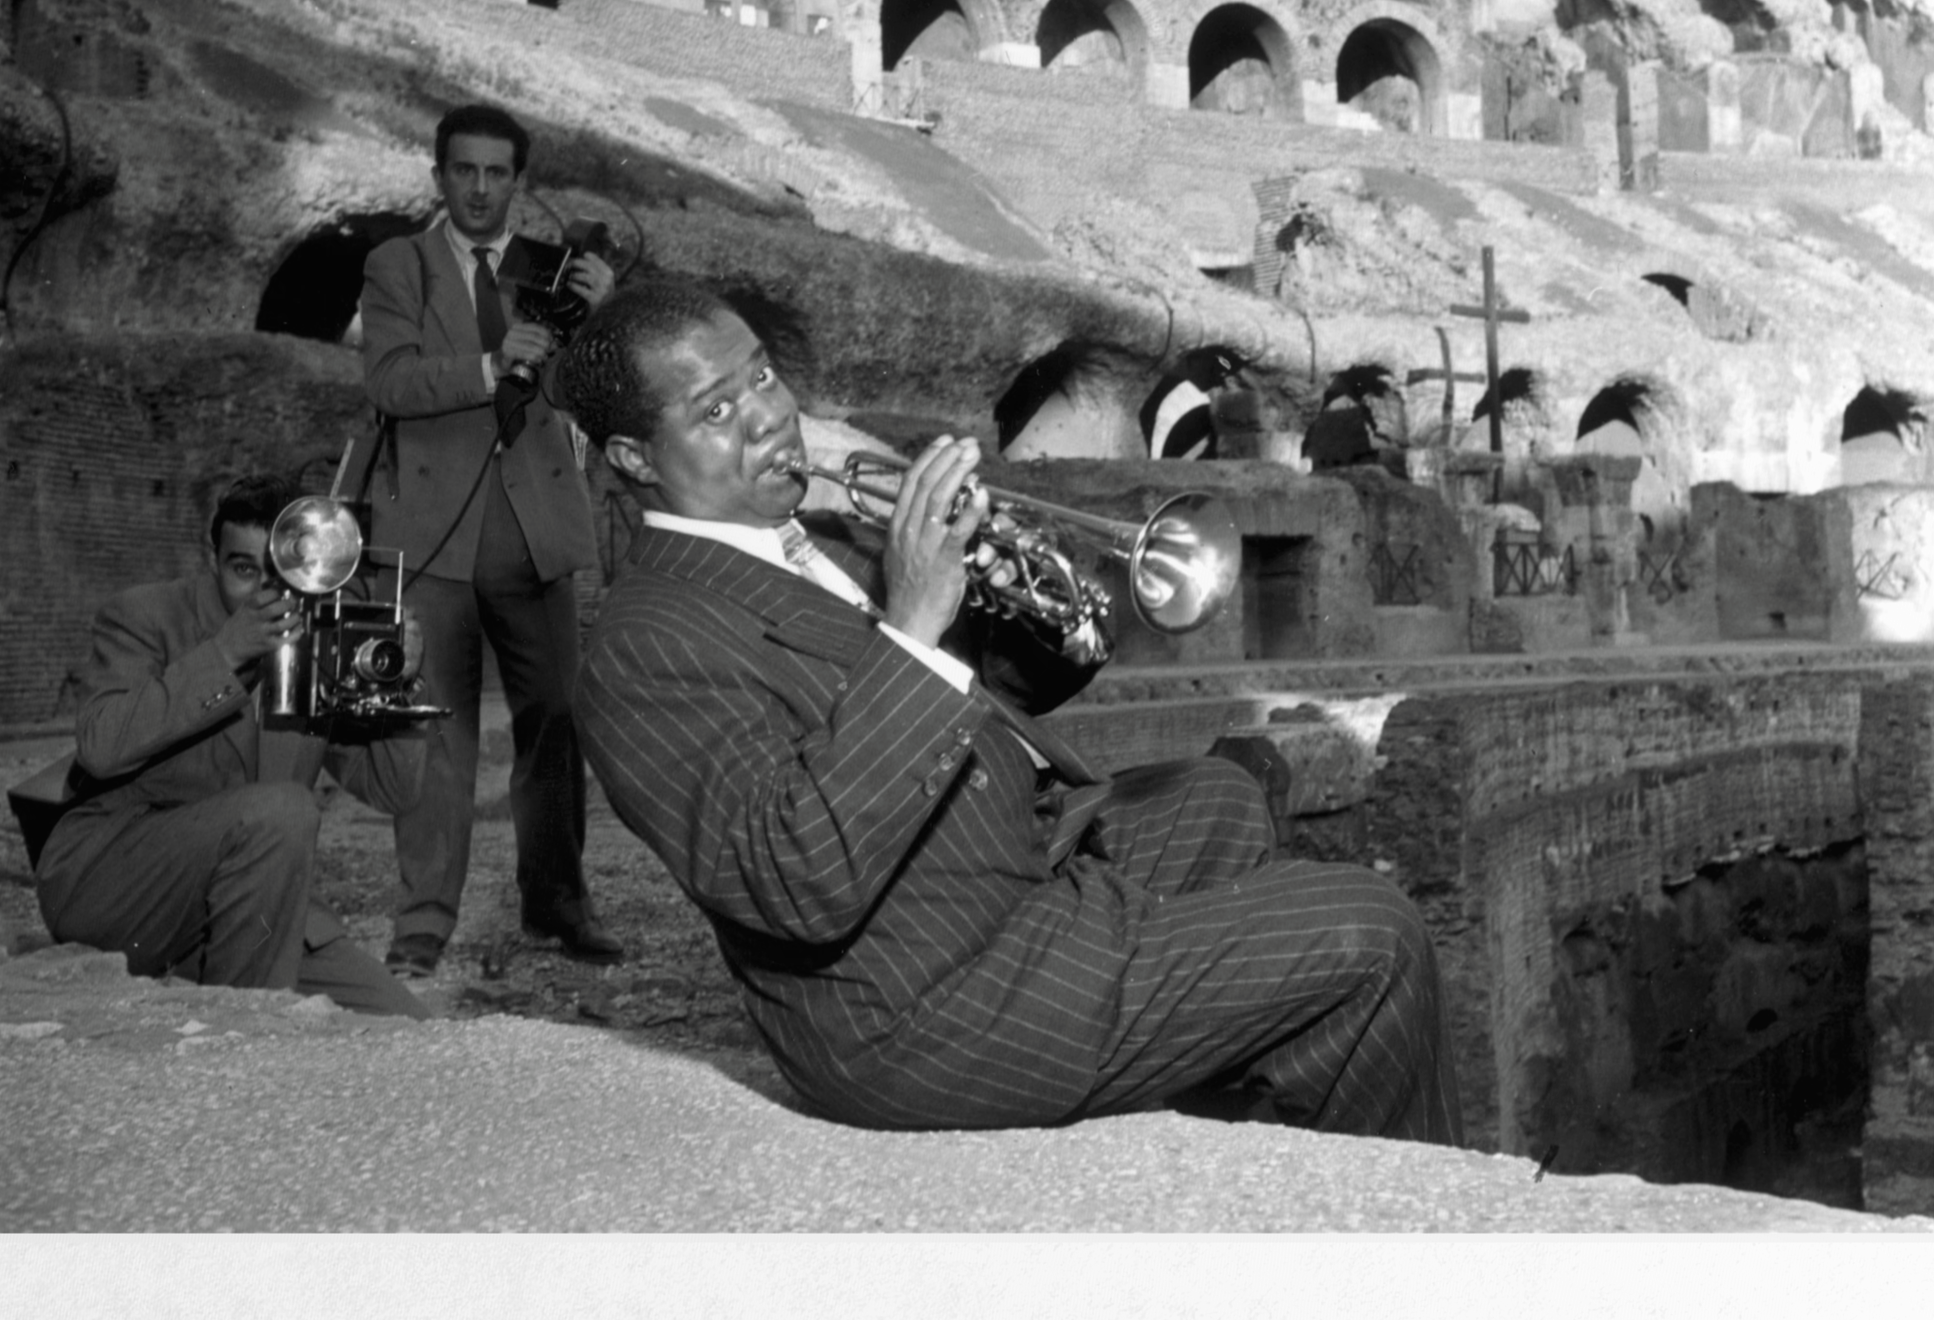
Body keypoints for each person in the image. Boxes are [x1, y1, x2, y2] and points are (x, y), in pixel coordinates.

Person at [560, 282, 1463, 1146]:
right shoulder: (644, 645)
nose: (765, 415)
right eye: (714, 412)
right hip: (920, 998)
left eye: (761, 374)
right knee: (1373, 933)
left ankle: (1228, 1123)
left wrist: (1032, 607)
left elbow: (974, 706)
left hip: (995, 864)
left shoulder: (807, 543)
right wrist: (912, 620)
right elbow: (794, 880)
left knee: (1218, 799)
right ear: (635, 459)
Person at [4, 475, 438, 1016]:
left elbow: (393, 791)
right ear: (212, 559)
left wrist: (399, 683)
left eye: (282, 573)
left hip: (245, 909)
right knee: (282, 809)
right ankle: (240, 1040)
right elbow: (101, 745)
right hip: (115, 887)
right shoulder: (144, 617)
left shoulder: (316, 639)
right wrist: (224, 655)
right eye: (243, 570)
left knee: (411, 1024)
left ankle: (236, 1005)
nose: (263, 591)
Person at [355, 101, 620, 976]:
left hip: (536, 532)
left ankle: (558, 906)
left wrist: (606, 319)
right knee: (435, 735)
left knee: (551, 724)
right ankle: (422, 925)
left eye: (495, 172)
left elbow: (603, 395)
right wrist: (489, 364)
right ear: (438, 177)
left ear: (517, 182)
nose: (477, 187)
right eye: (462, 170)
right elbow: (390, 381)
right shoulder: (400, 265)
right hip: (432, 539)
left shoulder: (553, 271)